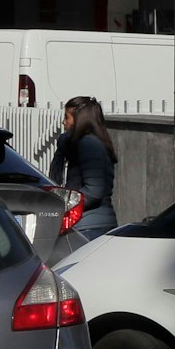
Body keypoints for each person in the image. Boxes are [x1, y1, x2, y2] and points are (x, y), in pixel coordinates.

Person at [49, 95, 118, 240]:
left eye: (67, 117)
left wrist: (65, 204)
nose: (63, 122)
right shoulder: (90, 143)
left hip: (89, 227)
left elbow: (94, 190)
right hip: (90, 225)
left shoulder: (88, 144)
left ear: (79, 120)